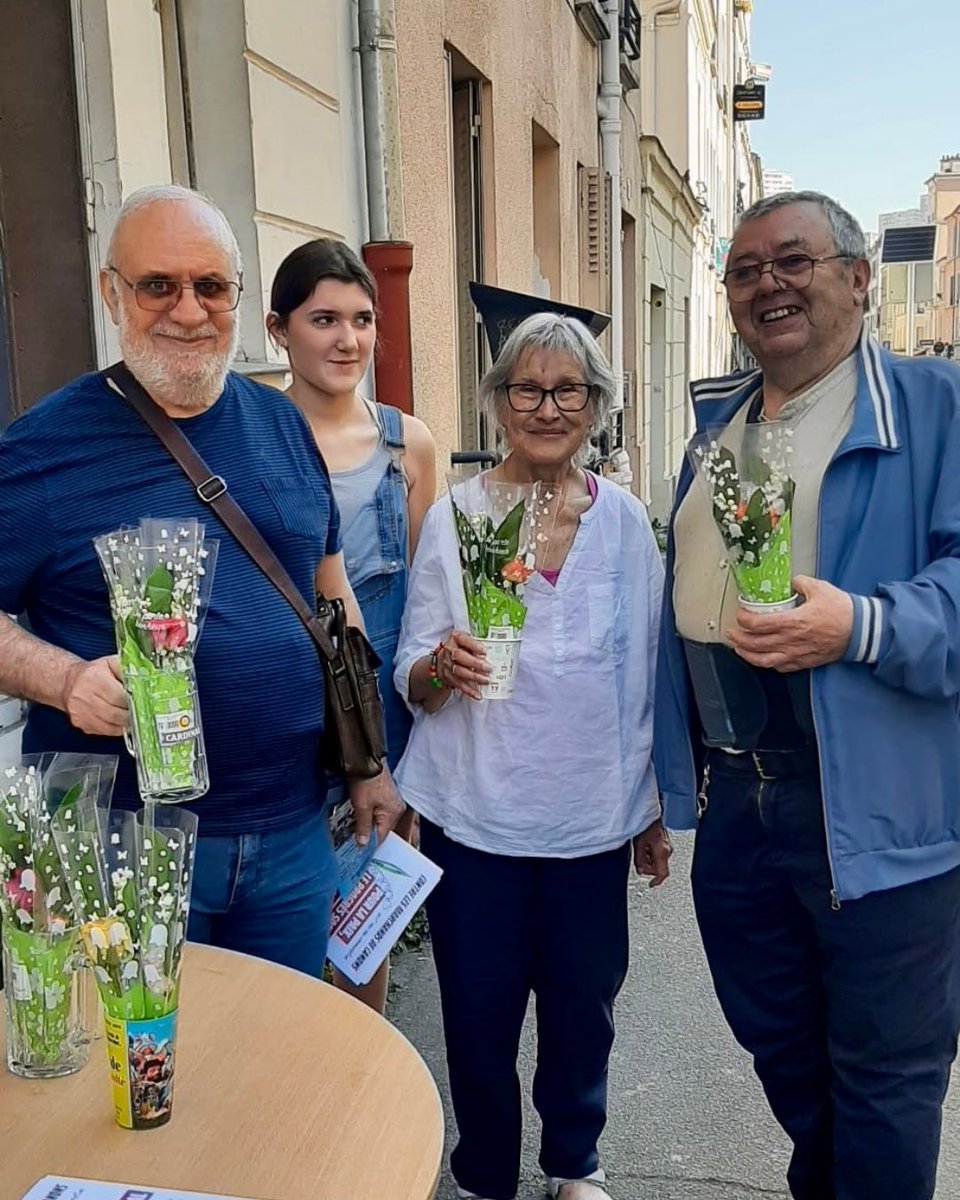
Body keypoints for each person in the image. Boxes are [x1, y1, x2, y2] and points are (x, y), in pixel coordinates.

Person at [0, 184, 403, 978]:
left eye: (210, 287)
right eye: (159, 285)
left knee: (278, 1069)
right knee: (144, 1085)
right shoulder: (44, 448)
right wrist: (65, 679)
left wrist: (369, 759)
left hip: (291, 837)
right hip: (124, 840)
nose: (188, 311)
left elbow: (331, 594)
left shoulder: (282, 422)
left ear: (239, 299)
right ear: (111, 291)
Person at [655, 191, 960, 1200]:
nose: (768, 285)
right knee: (784, 1048)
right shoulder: (719, 429)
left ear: (859, 278)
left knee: (885, 1072)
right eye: (745, 271)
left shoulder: (934, 406)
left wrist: (862, 625)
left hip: (870, 801)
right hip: (738, 797)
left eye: (795, 261)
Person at [394, 313, 670, 1200]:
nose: (548, 408)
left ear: (596, 406)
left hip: (591, 817)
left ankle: (572, 1162)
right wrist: (443, 664)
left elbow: (650, 676)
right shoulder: (456, 518)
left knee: (583, 1010)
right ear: (499, 403)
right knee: (477, 1015)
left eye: (569, 391)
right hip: (476, 818)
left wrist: (654, 808)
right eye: (528, 389)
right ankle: (483, 1173)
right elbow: (411, 673)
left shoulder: (626, 524)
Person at [267, 238, 436, 1011]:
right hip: (285, 712)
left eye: (362, 319)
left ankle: (364, 1088)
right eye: (323, 318)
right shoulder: (250, 437)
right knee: (291, 920)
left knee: (369, 923)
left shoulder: (410, 442)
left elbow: (430, 593)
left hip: (384, 714)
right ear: (278, 329)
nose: (348, 339)